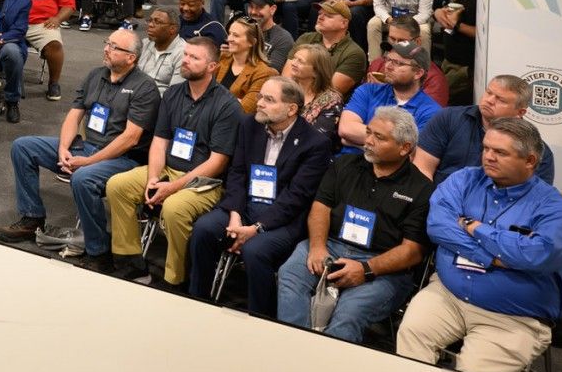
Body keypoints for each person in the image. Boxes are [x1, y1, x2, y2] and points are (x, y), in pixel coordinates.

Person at [398, 118, 562, 372]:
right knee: (410, 342)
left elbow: (536, 254)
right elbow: (438, 227)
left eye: (500, 152)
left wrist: (474, 227)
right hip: (447, 295)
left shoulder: (556, 209)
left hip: (513, 318)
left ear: (530, 161)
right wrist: (494, 255)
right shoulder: (463, 180)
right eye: (486, 148)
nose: (488, 157)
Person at [0, 28, 159, 262]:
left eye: (114, 47)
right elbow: (74, 116)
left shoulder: (145, 88)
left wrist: (89, 162)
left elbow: (131, 138)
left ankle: (98, 250)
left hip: (123, 159)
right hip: (87, 146)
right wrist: (64, 147)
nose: (106, 49)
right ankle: (32, 218)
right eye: (107, 43)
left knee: (83, 178)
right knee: (23, 147)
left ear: (131, 58)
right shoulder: (96, 75)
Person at [275, 107, 434, 342]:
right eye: (368, 132)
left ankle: (331, 369)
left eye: (379, 137)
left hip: (382, 265)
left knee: (350, 312)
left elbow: (412, 251)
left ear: (405, 147)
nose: (368, 141)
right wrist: (318, 247)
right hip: (330, 245)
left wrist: (367, 269)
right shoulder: (344, 165)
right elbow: (320, 208)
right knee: (290, 275)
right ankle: (295, 347)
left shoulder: (421, 189)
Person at [186, 76, 335, 313]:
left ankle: (261, 316)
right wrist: (235, 215)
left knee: (255, 250)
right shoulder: (249, 126)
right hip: (243, 207)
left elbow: (296, 197)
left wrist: (256, 228)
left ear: (291, 109)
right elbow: (237, 173)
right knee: (204, 229)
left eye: (269, 99)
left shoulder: (315, 143)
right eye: (260, 97)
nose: (259, 103)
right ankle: (197, 301)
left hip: (282, 219)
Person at [100, 37, 239, 289]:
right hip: (167, 169)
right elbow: (159, 142)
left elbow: (218, 162)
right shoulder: (174, 93)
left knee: (175, 207)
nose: (185, 60)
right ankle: (130, 261)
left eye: (194, 57)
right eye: (185, 54)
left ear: (212, 67)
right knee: (118, 185)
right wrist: (154, 177)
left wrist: (172, 188)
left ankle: (176, 279)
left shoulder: (227, 105)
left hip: (204, 181)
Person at [415, 75, 556, 185]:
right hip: (438, 206)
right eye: (489, 92)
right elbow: (422, 169)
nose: (489, 100)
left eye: (500, 100)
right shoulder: (448, 118)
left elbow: (533, 197)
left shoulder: (537, 151)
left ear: (520, 112)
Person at [339, 40, 441, 153]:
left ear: (418, 73)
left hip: (392, 170)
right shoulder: (368, 91)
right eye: (388, 59)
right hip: (347, 164)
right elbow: (345, 128)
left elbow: (412, 152)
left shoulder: (431, 111)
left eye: (398, 63)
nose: (388, 66)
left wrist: (357, 143)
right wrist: (392, 143)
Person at [15, 0, 77, 100]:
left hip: (41, 24)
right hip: (15, 21)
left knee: (55, 46)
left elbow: (69, 6)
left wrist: (57, 18)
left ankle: (53, 83)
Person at [433, 0, 480, 105]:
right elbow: (455, 9)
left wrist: (457, 25)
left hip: (465, 68)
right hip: (450, 60)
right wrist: (440, 12)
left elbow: (484, 33)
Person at [367, 15, 449, 105]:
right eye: (392, 39)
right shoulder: (377, 64)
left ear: (417, 42)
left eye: (402, 41)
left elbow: (427, 116)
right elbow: (361, 102)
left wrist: (384, 94)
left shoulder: (434, 79)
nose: (395, 45)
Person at [293, 0, 370, 93]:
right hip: (292, 98)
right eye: (320, 14)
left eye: (328, 16)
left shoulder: (354, 54)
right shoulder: (306, 38)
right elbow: (287, 76)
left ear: (344, 23)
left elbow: (329, 93)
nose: (320, 17)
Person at [283, 43, 345, 150]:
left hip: (309, 155)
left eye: (300, 61)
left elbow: (319, 139)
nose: (293, 63)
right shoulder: (285, 89)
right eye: (294, 58)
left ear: (316, 72)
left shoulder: (331, 100)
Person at [216, 16, 278, 113]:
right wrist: (235, 100)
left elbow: (244, 110)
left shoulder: (263, 73)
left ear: (252, 42)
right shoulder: (223, 58)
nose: (229, 39)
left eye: (236, 35)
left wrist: (215, 100)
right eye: (230, 34)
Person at [135, 7, 187, 94]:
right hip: (134, 95)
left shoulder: (183, 53)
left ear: (172, 29)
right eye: (150, 20)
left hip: (159, 102)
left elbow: (174, 93)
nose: (150, 25)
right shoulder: (144, 44)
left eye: (157, 22)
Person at [242, 0, 294, 71]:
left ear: (272, 9)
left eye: (259, 7)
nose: (253, 12)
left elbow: (270, 72)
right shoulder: (242, 29)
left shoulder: (283, 39)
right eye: (251, 6)